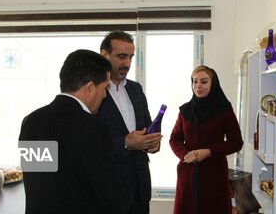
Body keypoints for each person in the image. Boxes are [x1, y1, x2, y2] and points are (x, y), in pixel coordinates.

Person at [19, 49, 130, 214]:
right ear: (90, 88)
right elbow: (108, 194)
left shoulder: (32, 121)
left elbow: (41, 181)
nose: (105, 96)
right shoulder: (92, 128)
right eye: (105, 88)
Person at [97, 31, 162, 214]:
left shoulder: (135, 89)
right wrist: (125, 143)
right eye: (121, 56)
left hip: (140, 189)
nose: (127, 63)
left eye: (131, 57)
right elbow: (88, 143)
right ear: (104, 55)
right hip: (109, 191)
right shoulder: (91, 91)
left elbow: (147, 127)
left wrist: (153, 142)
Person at [169, 65, 244, 214]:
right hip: (188, 172)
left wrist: (208, 152)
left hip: (214, 173)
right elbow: (174, 139)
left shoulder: (224, 110)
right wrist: (185, 154)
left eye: (203, 82)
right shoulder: (185, 110)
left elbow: (236, 142)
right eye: (195, 81)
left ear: (213, 83)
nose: (198, 86)